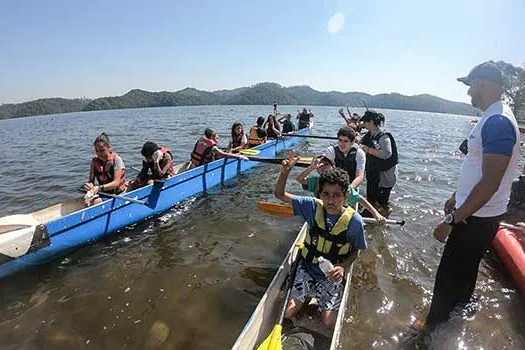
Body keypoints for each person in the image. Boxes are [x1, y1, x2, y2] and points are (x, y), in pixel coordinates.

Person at [424, 61, 520, 330]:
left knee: (447, 279)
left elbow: (491, 181)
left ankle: (430, 333)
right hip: (477, 213)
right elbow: (477, 169)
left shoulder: (498, 121)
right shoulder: (493, 117)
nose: (468, 93)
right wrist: (457, 194)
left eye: (470, 86)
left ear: (483, 83)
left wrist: (452, 220)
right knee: (465, 272)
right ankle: (457, 317)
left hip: (475, 218)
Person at [275, 158, 366, 329]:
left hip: (331, 273)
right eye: (326, 194)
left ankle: (313, 299)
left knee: (329, 323)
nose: (331, 200)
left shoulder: (355, 221)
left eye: (337, 195)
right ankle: (306, 297)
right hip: (308, 266)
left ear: (346, 196)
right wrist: (284, 173)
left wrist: (344, 267)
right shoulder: (311, 206)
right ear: (320, 194)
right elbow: (280, 195)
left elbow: (357, 250)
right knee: (287, 312)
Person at [295, 155, 386, 224]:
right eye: (320, 165)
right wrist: (311, 168)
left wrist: (375, 213)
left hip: (337, 212)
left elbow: (359, 199)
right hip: (322, 212)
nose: (323, 167)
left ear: (333, 166)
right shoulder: (316, 181)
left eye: (326, 164)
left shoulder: (341, 184)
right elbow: (299, 179)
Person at [360, 110, 398, 216]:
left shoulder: (383, 136)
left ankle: (382, 216)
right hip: (373, 173)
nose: (364, 124)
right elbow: (361, 141)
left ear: (371, 122)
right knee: (371, 197)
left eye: (365, 122)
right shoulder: (370, 134)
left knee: (382, 200)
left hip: (384, 176)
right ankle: (373, 217)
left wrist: (368, 149)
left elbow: (386, 153)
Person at [83, 133, 127, 205]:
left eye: (102, 150)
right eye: (97, 151)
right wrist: (89, 185)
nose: (99, 154)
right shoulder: (94, 162)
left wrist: (99, 188)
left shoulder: (117, 160)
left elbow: (116, 183)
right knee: (85, 200)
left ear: (109, 148)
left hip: (117, 194)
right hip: (104, 192)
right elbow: (91, 180)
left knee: (95, 202)